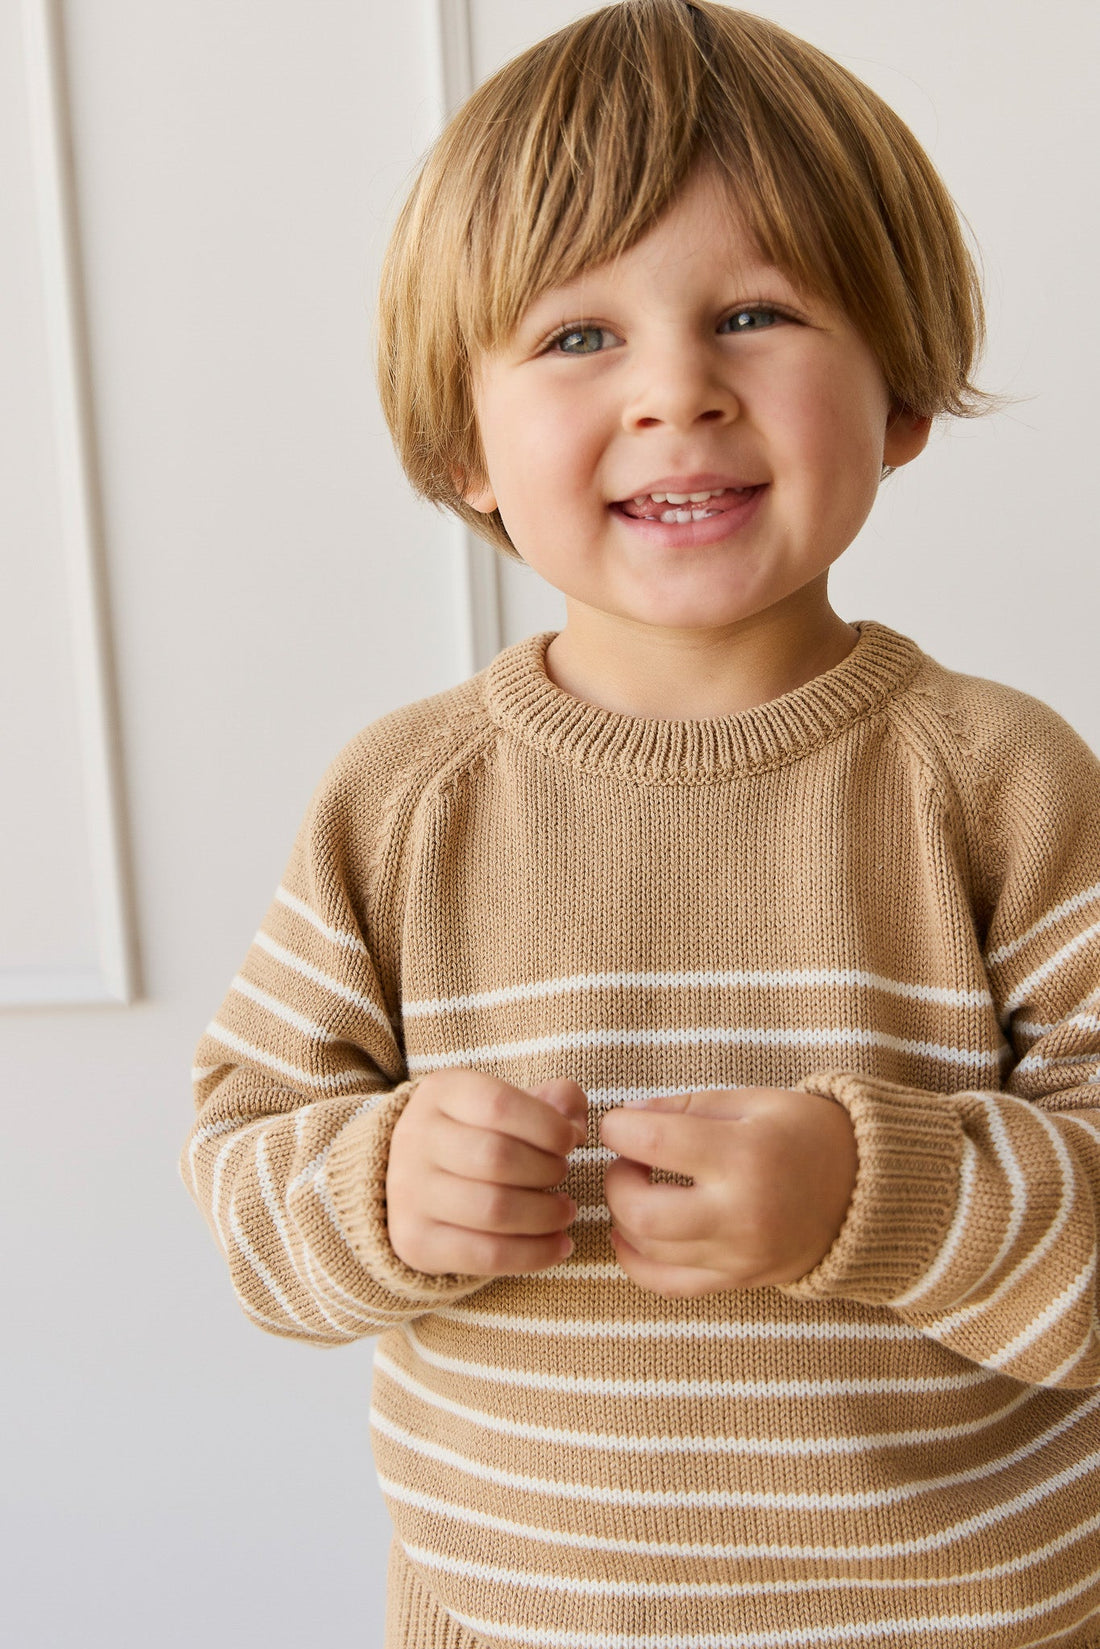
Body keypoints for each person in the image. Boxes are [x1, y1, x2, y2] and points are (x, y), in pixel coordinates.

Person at [182, 3, 1100, 1644]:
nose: (678, 391)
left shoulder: (1002, 781)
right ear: (463, 442)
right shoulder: (402, 801)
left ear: (900, 394)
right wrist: (380, 1189)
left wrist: (870, 1193)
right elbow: (249, 1176)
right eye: (578, 336)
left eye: (754, 314)